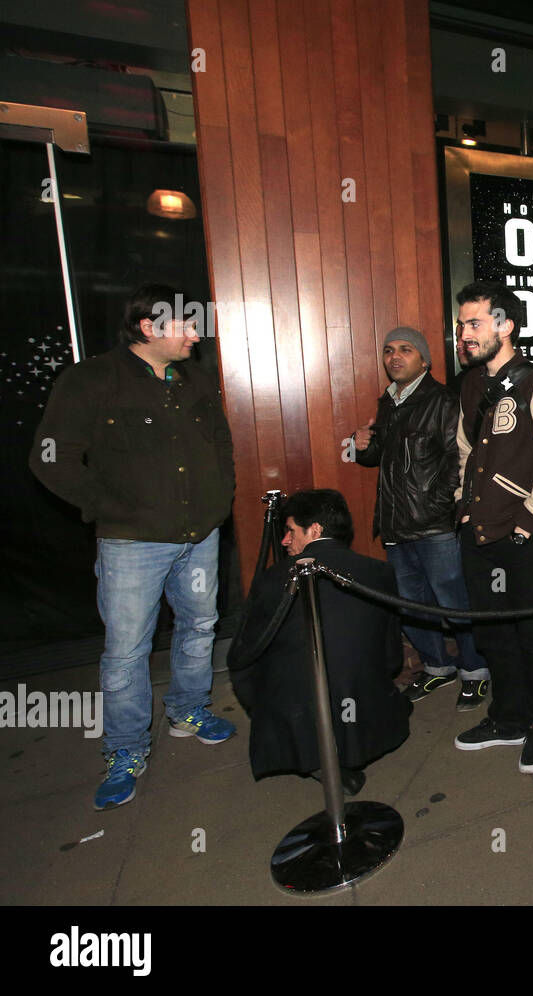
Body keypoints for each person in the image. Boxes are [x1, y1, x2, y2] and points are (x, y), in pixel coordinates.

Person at [29, 284, 236, 810]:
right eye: (186, 325)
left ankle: (189, 709)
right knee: (126, 652)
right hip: (131, 543)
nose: (196, 334)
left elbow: (220, 444)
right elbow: (50, 457)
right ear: (149, 327)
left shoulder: (195, 379)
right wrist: (107, 506)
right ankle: (125, 750)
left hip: (200, 534)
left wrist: (221, 495)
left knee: (200, 626)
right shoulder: (91, 380)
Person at [453, 281, 533, 774]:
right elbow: (465, 452)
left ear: (506, 326)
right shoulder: (470, 386)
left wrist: (526, 524)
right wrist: (463, 507)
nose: (465, 333)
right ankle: (507, 718)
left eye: (475, 323)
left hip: (530, 536)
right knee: (494, 633)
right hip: (479, 534)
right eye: (462, 324)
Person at [227, 489, 410, 796]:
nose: (284, 541)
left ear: (314, 530)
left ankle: (305, 751)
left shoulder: (273, 580)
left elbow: (244, 658)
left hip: (301, 714)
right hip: (365, 701)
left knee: (252, 669)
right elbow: (391, 655)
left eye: (290, 531)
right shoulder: (380, 570)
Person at [354, 327, 489, 711]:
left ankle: (475, 671)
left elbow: (458, 460)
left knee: (454, 602)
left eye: (406, 350)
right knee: (411, 604)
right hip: (397, 524)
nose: (394, 357)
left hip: (435, 525)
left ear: (425, 360)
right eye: (388, 350)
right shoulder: (389, 402)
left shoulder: (443, 400)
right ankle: (437, 666)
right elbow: (382, 455)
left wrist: (440, 506)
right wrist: (363, 447)